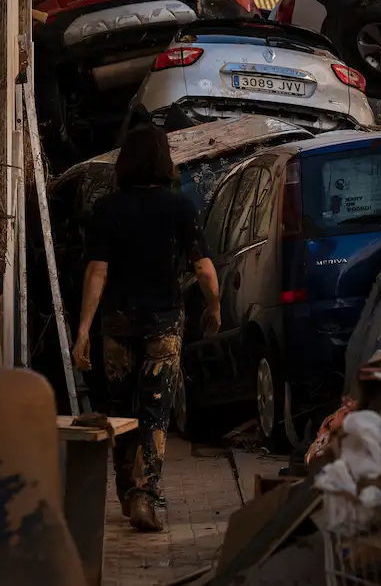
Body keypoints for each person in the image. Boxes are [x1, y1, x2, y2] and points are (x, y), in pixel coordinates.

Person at [71, 125, 221, 533]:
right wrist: (215, 305)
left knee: (121, 412)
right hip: (163, 326)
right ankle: (144, 495)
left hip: (117, 328)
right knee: (155, 412)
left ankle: (125, 492)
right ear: (163, 160)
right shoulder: (179, 208)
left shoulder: (107, 210)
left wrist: (84, 330)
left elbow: (96, 273)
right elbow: (204, 268)